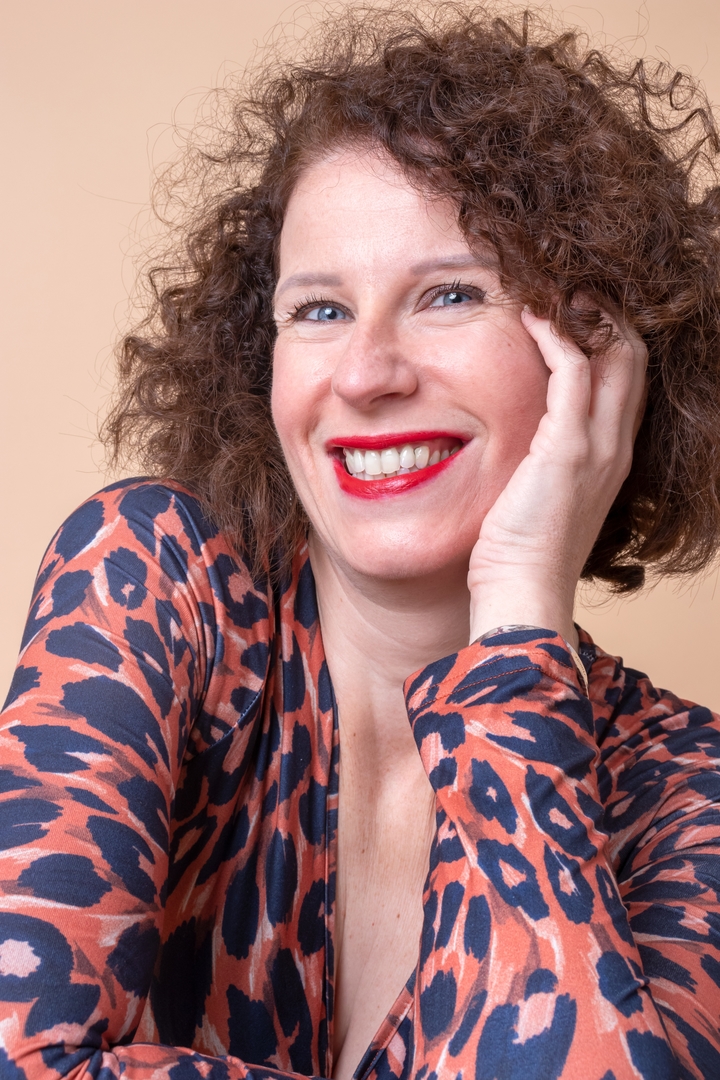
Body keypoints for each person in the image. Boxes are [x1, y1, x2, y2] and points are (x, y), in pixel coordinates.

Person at [1, 4, 720, 1078]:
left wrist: (519, 614)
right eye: (320, 311)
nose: (366, 373)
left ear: (599, 355)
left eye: (449, 294)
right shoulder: (153, 576)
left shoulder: (686, 794)